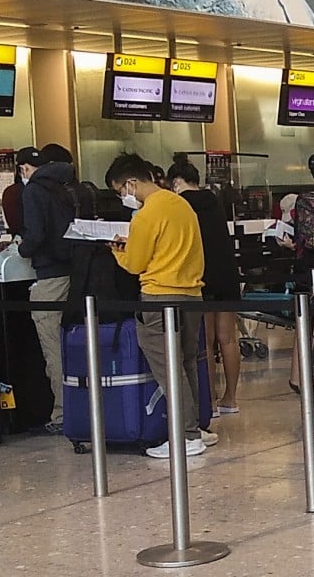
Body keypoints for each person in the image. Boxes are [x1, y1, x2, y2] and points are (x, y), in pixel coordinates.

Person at [105, 153, 217, 458]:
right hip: (192, 294)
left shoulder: (146, 214)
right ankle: (198, 427)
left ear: (131, 183)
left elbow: (136, 263)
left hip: (159, 296)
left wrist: (117, 251)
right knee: (187, 362)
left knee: (168, 367)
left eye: (120, 191)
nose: (123, 197)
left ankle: (186, 435)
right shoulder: (180, 203)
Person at [167, 153, 243, 415]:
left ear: (176, 182)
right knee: (228, 339)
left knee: (206, 343)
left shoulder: (179, 205)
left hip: (203, 276)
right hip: (228, 274)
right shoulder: (215, 200)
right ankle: (231, 398)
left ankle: (209, 401)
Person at [17, 147, 77, 433]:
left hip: (49, 278)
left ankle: (63, 415)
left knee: (53, 349)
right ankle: (82, 408)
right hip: (72, 275)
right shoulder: (64, 187)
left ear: (24, 169)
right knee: (72, 346)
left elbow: (36, 235)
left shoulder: (32, 191)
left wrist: (21, 248)